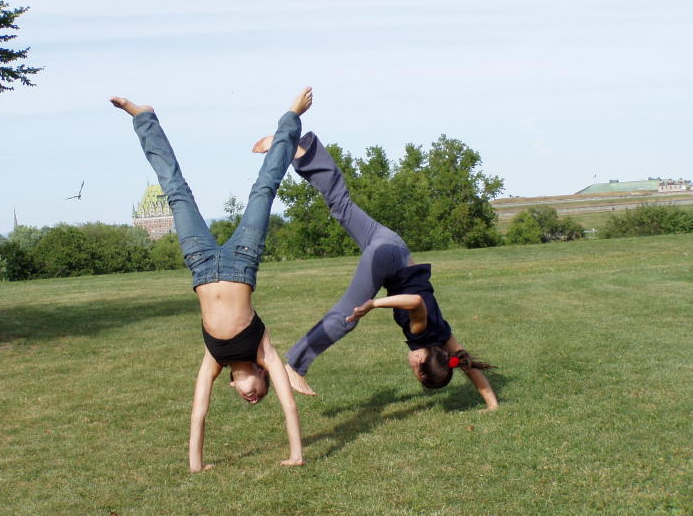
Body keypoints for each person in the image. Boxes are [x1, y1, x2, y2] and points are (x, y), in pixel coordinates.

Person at [110, 87, 313, 472]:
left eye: (244, 397)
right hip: (242, 261)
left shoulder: (213, 358)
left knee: (175, 191)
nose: (251, 397)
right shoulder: (262, 350)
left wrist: (195, 464)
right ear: (261, 376)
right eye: (258, 394)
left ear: (233, 385)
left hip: (200, 263)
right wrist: (297, 454)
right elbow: (289, 404)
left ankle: (143, 117)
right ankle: (291, 117)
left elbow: (199, 412)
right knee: (265, 189)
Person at [253, 130, 498, 410]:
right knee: (347, 314)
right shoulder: (422, 334)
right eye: (416, 373)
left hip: (392, 244)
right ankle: (295, 366)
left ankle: (299, 151)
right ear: (420, 364)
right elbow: (415, 302)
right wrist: (373, 304)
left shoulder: (444, 341)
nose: (411, 369)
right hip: (387, 258)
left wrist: (492, 403)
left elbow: (466, 364)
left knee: (340, 204)